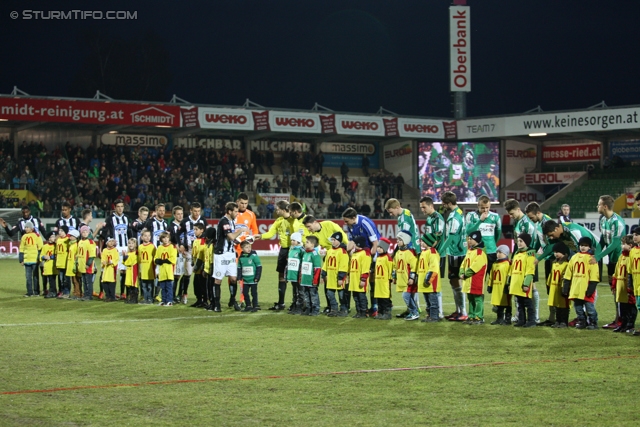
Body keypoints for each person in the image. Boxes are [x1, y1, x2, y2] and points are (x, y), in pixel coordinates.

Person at [254, 200, 293, 311]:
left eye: (277, 209)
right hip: (283, 251)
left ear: (283, 209)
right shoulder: (279, 221)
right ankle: (281, 303)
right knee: (281, 276)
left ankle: (298, 302)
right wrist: (260, 236)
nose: (276, 210)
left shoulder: (294, 220)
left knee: (295, 277)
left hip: (294, 251)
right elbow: (270, 234)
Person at [596, 195, 627, 329]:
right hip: (611, 261)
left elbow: (615, 244)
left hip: (621, 261)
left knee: (621, 291)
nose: (597, 207)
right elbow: (602, 240)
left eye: (598, 204)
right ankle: (618, 319)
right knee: (614, 291)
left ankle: (624, 320)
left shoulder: (617, 222)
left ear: (605, 206)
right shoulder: (603, 220)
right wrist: (596, 255)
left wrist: (599, 256)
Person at [342, 207, 380, 314]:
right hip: (361, 252)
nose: (345, 223)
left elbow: (375, 243)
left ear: (353, 218)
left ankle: (375, 306)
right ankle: (366, 307)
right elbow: (351, 241)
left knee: (373, 281)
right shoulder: (350, 226)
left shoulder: (365, 223)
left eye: (346, 221)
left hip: (371, 252)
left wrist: (370, 257)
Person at [3, 206, 46, 295]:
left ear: (29, 211)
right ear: (22, 213)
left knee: (42, 272)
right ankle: (31, 291)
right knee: (29, 275)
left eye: (27, 212)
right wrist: (6, 227)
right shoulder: (20, 223)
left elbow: (44, 233)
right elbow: (11, 233)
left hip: (37, 250)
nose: (25, 214)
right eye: (23, 212)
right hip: (28, 254)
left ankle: (44, 290)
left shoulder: (36, 220)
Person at [439, 191, 467, 321]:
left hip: (456, 253)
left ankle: (463, 312)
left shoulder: (455, 217)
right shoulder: (458, 213)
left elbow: (451, 237)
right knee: (453, 280)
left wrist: (441, 250)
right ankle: (458, 310)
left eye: (444, 203)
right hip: (455, 251)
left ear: (449, 203)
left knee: (456, 280)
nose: (443, 206)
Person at [563, 236, 600, 330]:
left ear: (589, 247)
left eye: (586, 245)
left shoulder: (592, 258)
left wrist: (591, 288)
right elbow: (568, 273)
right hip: (575, 288)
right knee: (578, 307)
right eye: (581, 245)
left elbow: (594, 275)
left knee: (589, 308)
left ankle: (593, 322)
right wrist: (566, 287)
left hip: (586, 287)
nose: (583, 247)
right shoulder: (574, 257)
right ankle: (582, 321)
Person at [213, 202, 244, 311]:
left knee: (233, 278)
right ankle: (217, 304)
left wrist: (240, 241)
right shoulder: (224, 221)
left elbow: (231, 239)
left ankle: (232, 300)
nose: (237, 213)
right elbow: (230, 236)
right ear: (229, 211)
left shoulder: (231, 222)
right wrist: (240, 231)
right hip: (221, 255)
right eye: (235, 211)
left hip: (230, 254)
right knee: (218, 280)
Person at [420, 196, 446, 319]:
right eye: (421, 207)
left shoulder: (437, 218)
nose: (422, 210)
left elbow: (438, 237)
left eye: (424, 207)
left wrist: (432, 250)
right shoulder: (430, 218)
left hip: (437, 253)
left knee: (435, 283)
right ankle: (433, 311)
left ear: (431, 206)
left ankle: (439, 312)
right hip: (432, 254)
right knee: (430, 283)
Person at [101, 199, 131, 300]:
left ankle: (123, 293)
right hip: (115, 249)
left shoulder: (126, 218)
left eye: (122, 206)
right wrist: (108, 242)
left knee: (124, 271)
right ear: (115, 208)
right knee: (111, 271)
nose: (120, 208)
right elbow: (105, 232)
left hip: (125, 248)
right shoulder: (110, 219)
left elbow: (129, 233)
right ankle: (106, 293)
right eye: (118, 206)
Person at [465, 195, 502, 275]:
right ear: (478, 205)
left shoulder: (495, 217)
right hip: (477, 251)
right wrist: (480, 221)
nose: (485, 210)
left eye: (487, 207)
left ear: (490, 206)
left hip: (491, 251)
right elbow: (468, 232)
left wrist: (492, 244)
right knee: (477, 277)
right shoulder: (471, 216)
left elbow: (498, 234)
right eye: (482, 208)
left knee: (493, 278)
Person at [178, 202, 206, 305]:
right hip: (189, 251)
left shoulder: (203, 220)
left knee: (201, 275)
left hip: (201, 252)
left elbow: (206, 234)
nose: (197, 213)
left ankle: (202, 297)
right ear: (191, 210)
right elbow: (178, 233)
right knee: (188, 273)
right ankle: (184, 294)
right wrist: (180, 244)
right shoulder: (185, 221)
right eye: (195, 211)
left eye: (199, 211)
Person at [460, 231, 488, 324]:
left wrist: (465, 274)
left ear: (476, 240)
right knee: (471, 298)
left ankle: (479, 317)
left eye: (471, 239)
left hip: (476, 280)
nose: (469, 240)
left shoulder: (480, 252)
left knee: (478, 299)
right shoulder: (470, 250)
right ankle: (471, 316)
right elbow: (464, 263)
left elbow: (475, 266)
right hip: (468, 280)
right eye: (468, 239)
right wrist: (461, 271)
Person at [509, 233, 536, 328]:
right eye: (518, 241)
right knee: (519, 303)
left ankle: (532, 320)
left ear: (527, 242)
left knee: (528, 303)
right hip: (516, 283)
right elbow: (511, 270)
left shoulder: (530, 254)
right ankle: (522, 320)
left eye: (521, 241)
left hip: (523, 284)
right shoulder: (516, 254)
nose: (519, 243)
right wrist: (509, 281)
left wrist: (526, 283)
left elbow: (530, 270)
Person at [610, 235, 636, 333]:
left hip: (628, 287)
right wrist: (614, 284)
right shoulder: (621, 256)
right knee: (622, 307)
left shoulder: (632, 257)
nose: (621, 246)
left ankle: (630, 325)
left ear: (630, 245)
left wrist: (631, 286)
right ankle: (623, 324)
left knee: (630, 307)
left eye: (623, 244)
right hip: (620, 287)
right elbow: (616, 272)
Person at [393, 231, 419, 321]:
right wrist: (394, 277)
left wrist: (412, 278)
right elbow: (395, 266)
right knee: (409, 296)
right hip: (402, 279)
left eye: (400, 239)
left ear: (406, 240)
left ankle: (414, 312)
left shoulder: (410, 252)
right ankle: (410, 311)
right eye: (397, 239)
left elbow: (414, 266)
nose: (398, 241)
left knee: (406, 296)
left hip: (408, 280)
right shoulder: (398, 253)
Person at [323, 232, 350, 317]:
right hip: (330, 278)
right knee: (330, 294)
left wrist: (341, 278)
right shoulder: (329, 251)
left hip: (339, 279)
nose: (333, 241)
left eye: (334, 240)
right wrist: (323, 274)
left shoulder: (343, 252)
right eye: (332, 240)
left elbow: (344, 266)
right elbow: (325, 264)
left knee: (342, 295)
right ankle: (334, 309)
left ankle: (344, 309)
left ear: (339, 241)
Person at [417, 233, 441, 323]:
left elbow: (434, 268)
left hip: (431, 283)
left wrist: (428, 279)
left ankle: (434, 317)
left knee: (432, 300)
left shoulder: (433, 252)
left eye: (423, 241)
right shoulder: (424, 252)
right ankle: (429, 315)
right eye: (421, 241)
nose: (421, 243)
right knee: (427, 301)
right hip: (424, 282)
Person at [546, 242, 571, 328]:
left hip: (562, 289)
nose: (555, 254)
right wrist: (549, 284)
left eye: (558, 252)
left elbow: (567, 277)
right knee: (557, 305)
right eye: (554, 252)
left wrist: (566, 288)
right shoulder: (554, 263)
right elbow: (551, 275)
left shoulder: (567, 264)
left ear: (563, 252)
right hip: (554, 287)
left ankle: (564, 322)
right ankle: (558, 321)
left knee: (564, 306)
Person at [299, 235, 323, 316]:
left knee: (313, 295)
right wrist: (301, 278)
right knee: (306, 295)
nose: (305, 243)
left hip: (311, 280)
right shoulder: (305, 253)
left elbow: (317, 269)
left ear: (312, 245)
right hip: (304, 279)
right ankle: (308, 308)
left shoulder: (315, 254)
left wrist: (315, 280)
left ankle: (315, 309)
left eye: (307, 242)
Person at [349, 236, 372, 318]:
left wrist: (363, 279)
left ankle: (364, 312)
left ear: (358, 244)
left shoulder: (365, 254)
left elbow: (365, 268)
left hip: (360, 280)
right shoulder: (355, 253)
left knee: (361, 297)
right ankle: (358, 311)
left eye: (354, 243)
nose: (353, 245)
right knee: (355, 297)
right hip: (354, 280)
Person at [489, 245, 512, 325]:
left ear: (505, 254)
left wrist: (508, 285)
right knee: (498, 304)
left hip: (504, 288)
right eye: (497, 252)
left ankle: (508, 319)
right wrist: (490, 286)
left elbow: (510, 275)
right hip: (496, 288)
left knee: (507, 303)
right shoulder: (494, 264)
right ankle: (499, 319)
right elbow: (491, 276)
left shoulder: (508, 264)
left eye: (500, 252)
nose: (498, 254)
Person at [237, 240, 262, 313]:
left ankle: (255, 306)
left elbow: (259, 267)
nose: (249, 249)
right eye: (246, 247)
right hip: (245, 280)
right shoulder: (241, 258)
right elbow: (239, 268)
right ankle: (248, 305)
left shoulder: (254, 256)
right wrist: (239, 277)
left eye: (249, 247)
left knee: (253, 293)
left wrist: (257, 277)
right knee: (245, 293)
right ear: (242, 248)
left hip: (253, 279)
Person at [155, 231, 178, 306]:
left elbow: (173, 259)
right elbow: (156, 259)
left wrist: (162, 261)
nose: (165, 239)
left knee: (169, 287)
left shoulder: (172, 247)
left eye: (167, 237)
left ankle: (169, 300)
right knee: (163, 287)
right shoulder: (159, 247)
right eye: (164, 238)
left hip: (169, 271)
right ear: (161, 239)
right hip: (162, 271)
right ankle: (163, 300)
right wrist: (158, 261)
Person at [373, 237, 394, 320]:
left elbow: (390, 270)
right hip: (378, 282)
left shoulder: (387, 258)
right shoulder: (378, 258)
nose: (378, 249)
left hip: (385, 282)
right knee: (379, 298)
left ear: (385, 248)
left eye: (381, 247)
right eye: (378, 247)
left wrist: (390, 279)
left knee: (385, 298)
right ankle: (380, 312)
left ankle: (387, 313)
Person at [286, 232, 305, 315]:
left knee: (300, 291)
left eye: (294, 240)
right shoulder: (291, 250)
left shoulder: (301, 250)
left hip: (299, 275)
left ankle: (300, 307)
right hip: (292, 275)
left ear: (298, 241)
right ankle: (294, 304)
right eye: (291, 240)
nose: (292, 242)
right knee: (295, 290)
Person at [77, 225, 97, 301]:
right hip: (82, 265)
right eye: (83, 232)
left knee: (88, 281)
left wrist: (88, 264)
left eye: (86, 232)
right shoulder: (80, 242)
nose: (85, 233)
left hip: (88, 266)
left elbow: (92, 255)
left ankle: (89, 295)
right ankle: (85, 294)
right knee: (84, 281)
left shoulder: (90, 242)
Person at [191, 223, 207, 307]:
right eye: (194, 229)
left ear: (202, 230)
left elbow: (202, 254)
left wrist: (200, 266)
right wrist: (192, 262)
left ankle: (204, 301)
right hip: (196, 266)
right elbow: (194, 253)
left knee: (202, 284)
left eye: (196, 229)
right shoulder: (195, 240)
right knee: (196, 284)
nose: (194, 231)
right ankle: (199, 300)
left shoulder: (203, 240)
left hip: (201, 267)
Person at [138, 230, 156, 305]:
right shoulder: (140, 247)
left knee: (150, 286)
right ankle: (145, 298)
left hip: (150, 269)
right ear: (141, 237)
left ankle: (150, 299)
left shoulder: (152, 246)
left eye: (149, 235)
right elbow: (139, 259)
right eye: (145, 235)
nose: (147, 237)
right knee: (143, 286)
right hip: (143, 269)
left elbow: (155, 257)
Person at [628, 229, 640, 335]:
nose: (634, 237)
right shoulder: (633, 251)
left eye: (637, 235)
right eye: (634, 235)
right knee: (639, 305)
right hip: (636, 283)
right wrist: (630, 283)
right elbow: (630, 269)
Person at [101, 237, 120, 302]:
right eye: (110, 241)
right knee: (105, 282)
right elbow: (103, 259)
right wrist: (103, 262)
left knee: (112, 282)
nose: (111, 243)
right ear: (106, 243)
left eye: (112, 241)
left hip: (112, 269)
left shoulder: (115, 250)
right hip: (106, 269)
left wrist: (112, 262)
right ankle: (107, 296)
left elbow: (116, 259)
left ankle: (112, 296)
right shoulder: (104, 250)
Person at [65, 230, 82, 300]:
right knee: (74, 280)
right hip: (71, 264)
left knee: (76, 280)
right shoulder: (71, 244)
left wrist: (76, 264)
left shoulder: (76, 245)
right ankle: (75, 292)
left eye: (72, 236)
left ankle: (78, 293)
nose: (70, 237)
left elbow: (77, 255)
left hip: (74, 264)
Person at [41, 231, 58, 298]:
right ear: (49, 238)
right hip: (47, 266)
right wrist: (44, 257)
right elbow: (41, 256)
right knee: (51, 280)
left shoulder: (56, 245)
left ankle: (53, 292)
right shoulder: (45, 246)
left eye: (54, 236)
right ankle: (53, 292)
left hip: (54, 266)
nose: (54, 238)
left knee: (52, 279)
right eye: (52, 237)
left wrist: (50, 257)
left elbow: (57, 255)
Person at [55, 226, 70, 298]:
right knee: (61, 279)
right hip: (59, 262)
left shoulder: (67, 240)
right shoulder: (58, 240)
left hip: (65, 262)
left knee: (66, 279)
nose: (60, 232)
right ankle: (62, 291)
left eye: (62, 231)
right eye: (59, 230)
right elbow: (57, 251)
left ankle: (67, 292)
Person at [123, 237, 139, 304]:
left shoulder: (136, 253)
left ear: (135, 244)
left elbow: (130, 262)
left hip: (134, 271)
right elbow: (124, 262)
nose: (130, 245)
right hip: (128, 271)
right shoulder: (128, 253)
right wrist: (125, 257)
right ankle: (129, 297)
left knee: (134, 284)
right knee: (128, 284)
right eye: (129, 243)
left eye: (132, 243)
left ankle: (134, 299)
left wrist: (126, 258)